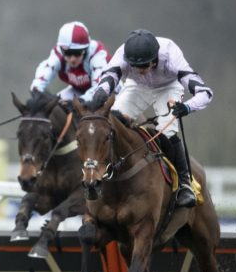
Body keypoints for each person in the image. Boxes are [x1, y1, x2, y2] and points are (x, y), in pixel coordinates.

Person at [85, 29, 211, 208]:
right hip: (136, 88)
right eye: (136, 67)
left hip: (168, 88)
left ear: (155, 59)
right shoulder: (123, 54)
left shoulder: (170, 54)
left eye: (144, 66)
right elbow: (109, 77)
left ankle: (184, 184)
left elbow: (205, 93)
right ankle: (105, 174)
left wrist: (187, 107)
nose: (141, 71)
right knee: (113, 123)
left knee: (167, 132)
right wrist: (100, 93)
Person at [30, 21, 110, 105]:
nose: (72, 59)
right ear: (61, 50)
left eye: (77, 53)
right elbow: (42, 76)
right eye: (67, 53)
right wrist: (37, 91)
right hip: (78, 91)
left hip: (109, 92)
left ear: (86, 49)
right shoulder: (58, 54)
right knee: (55, 107)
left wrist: (78, 102)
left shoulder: (97, 54)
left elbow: (99, 88)